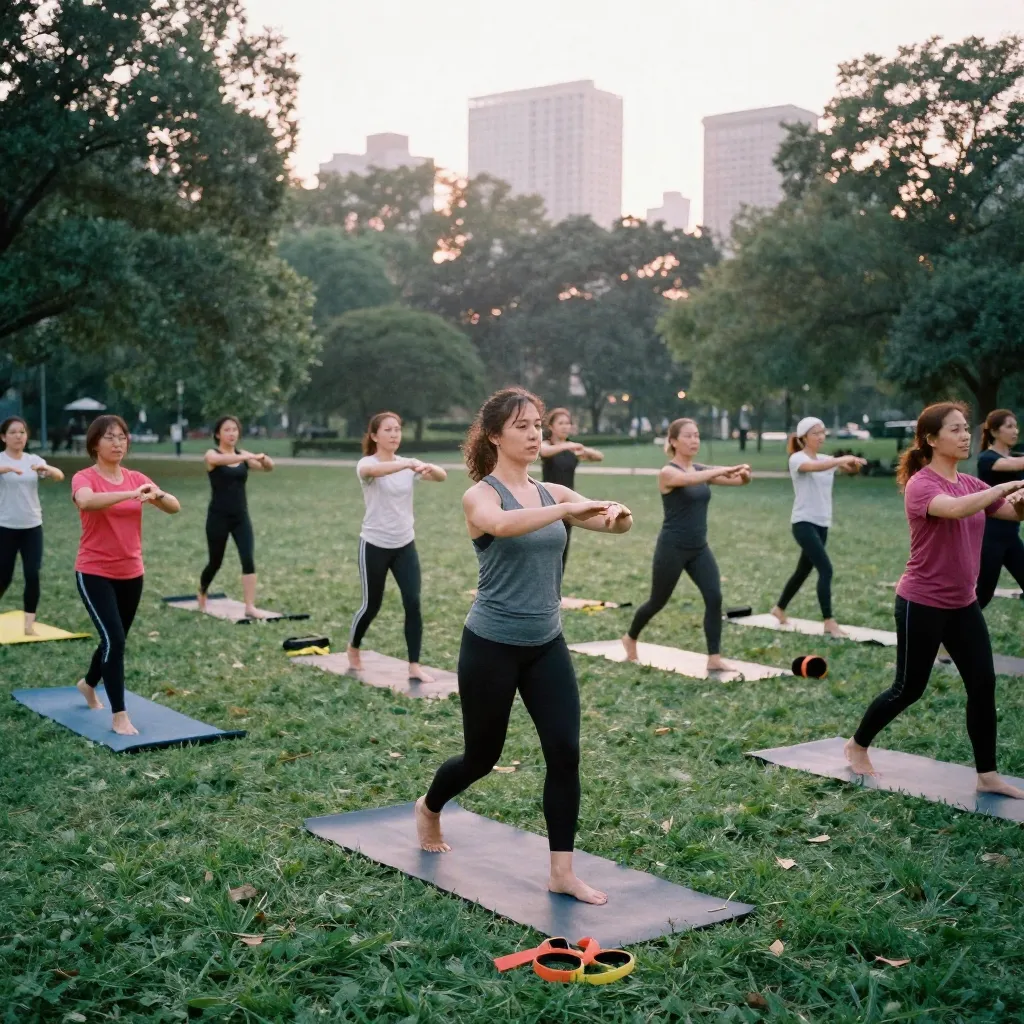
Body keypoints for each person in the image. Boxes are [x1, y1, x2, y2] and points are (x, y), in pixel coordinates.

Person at [415, 387, 632, 905]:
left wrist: (618, 515)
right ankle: (428, 807)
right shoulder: (481, 495)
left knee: (565, 753)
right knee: (481, 757)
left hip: (546, 644)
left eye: (538, 424)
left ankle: (561, 872)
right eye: (522, 426)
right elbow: (502, 526)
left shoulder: (553, 492)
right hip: (491, 644)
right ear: (494, 435)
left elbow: (611, 525)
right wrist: (567, 510)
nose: (535, 433)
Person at [845, 403, 1024, 797]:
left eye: (965, 429)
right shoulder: (922, 485)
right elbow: (956, 511)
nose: (964, 436)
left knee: (983, 684)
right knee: (908, 688)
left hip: (963, 604)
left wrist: (1021, 495)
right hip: (921, 603)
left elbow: (1012, 515)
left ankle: (987, 774)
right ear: (931, 439)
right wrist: (1002, 486)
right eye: (956, 430)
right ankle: (857, 745)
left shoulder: (972, 484)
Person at [72, 415, 180, 736]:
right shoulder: (83, 477)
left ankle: (88, 683)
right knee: (115, 640)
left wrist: (155, 495)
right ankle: (119, 715)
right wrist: (131, 494)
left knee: (113, 639)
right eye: (110, 437)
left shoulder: (136, 477)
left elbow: (174, 506)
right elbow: (87, 501)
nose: (118, 443)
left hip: (132, 571)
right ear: (95, 444)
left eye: (122, 437)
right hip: (93, 571)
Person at [621, 418, 750, 673]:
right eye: (688, 436)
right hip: (673, 547)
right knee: (657, 601)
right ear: (673, 441)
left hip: (699, 548)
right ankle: (630, 637)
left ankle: (714, 657)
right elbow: (691, 480)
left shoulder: (701, 470)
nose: (694, 440)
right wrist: (720, 470)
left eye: (697, 436)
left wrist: (743, 475)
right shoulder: (668, 473)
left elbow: (738, 482)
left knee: (714, 597)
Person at [348, 412, 447, 683]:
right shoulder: (366, 464)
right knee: (372, 605)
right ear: (374, 436)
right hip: (374, 544)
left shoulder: (407, 465)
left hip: (405, 544)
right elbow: (374, 471)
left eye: (398, 430)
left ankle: (414, 665)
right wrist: (407, 465)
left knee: (413, 602)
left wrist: (428, 468)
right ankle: (353, 646)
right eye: (388, 430)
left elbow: (442, 477)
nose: (394, 434)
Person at [770, 417, 867, 637]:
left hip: (822, 522)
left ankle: (779, 608)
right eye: (816, 433)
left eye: (823, 432)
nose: (821, 437)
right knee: (826, 569)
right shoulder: (797, 459)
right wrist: (840, 460)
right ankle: (829, 622)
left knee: (803, 570)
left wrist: (853, 464)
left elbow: (846, 469)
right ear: (804, 437)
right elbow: (814, 467)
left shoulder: (826, 459)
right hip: (803, 523)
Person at [197, 416, 274, 619]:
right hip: (218, 517)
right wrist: (246, 457)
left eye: (235, 430)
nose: (232, 433)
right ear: (217, 434)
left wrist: (263, 458)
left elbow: (269, 467)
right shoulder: (212, 454)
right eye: (227, 430)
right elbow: (218, 461)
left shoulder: (243, 456)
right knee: (215, 562)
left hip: (241, 516)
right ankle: (202, 591)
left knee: (248, 559)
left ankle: (250, 606)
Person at [0, 417, 65, 635]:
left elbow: (59, 476)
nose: (18, 436)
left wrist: (46, 468)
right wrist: (4, 469)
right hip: (5, 526)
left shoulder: (33, 459)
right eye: (13, 432)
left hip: (32, 527)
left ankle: (29, 626)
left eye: (22, 432)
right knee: (3, 576)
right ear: (3, 437)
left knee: (32, 573)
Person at [540, 408, 604, 572]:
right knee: (545, 550)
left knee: (562, 550)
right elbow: (543, 451)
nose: (565, 427)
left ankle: (555, 592)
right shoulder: (548, 445)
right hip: (548, 503)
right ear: (551, 427)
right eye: (561, 423)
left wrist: (583, 450)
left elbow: (599, 456)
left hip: (568, 505)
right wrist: (567, 445)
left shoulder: (572, 449)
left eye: (568, 423)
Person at [975, 409, 1024, 608]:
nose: (1015, 431)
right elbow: (1011, 465)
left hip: (1011, 536)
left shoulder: (1017, 457)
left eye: (1016, 426)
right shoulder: (987, 459)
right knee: (983, 594)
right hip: (989, 535)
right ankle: (950, 633)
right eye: (1009, 426)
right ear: (994, 432)